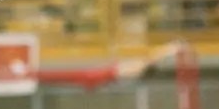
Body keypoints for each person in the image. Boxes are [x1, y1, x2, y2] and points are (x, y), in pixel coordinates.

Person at [33, 42, 186, 91]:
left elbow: (152, 58)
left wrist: (170, 48)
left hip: (99, 76)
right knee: (62, 78)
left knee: (63, 76)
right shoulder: (138, 68)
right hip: (100, 77)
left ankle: (34, 74)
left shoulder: (139, 68)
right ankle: (36, 75)